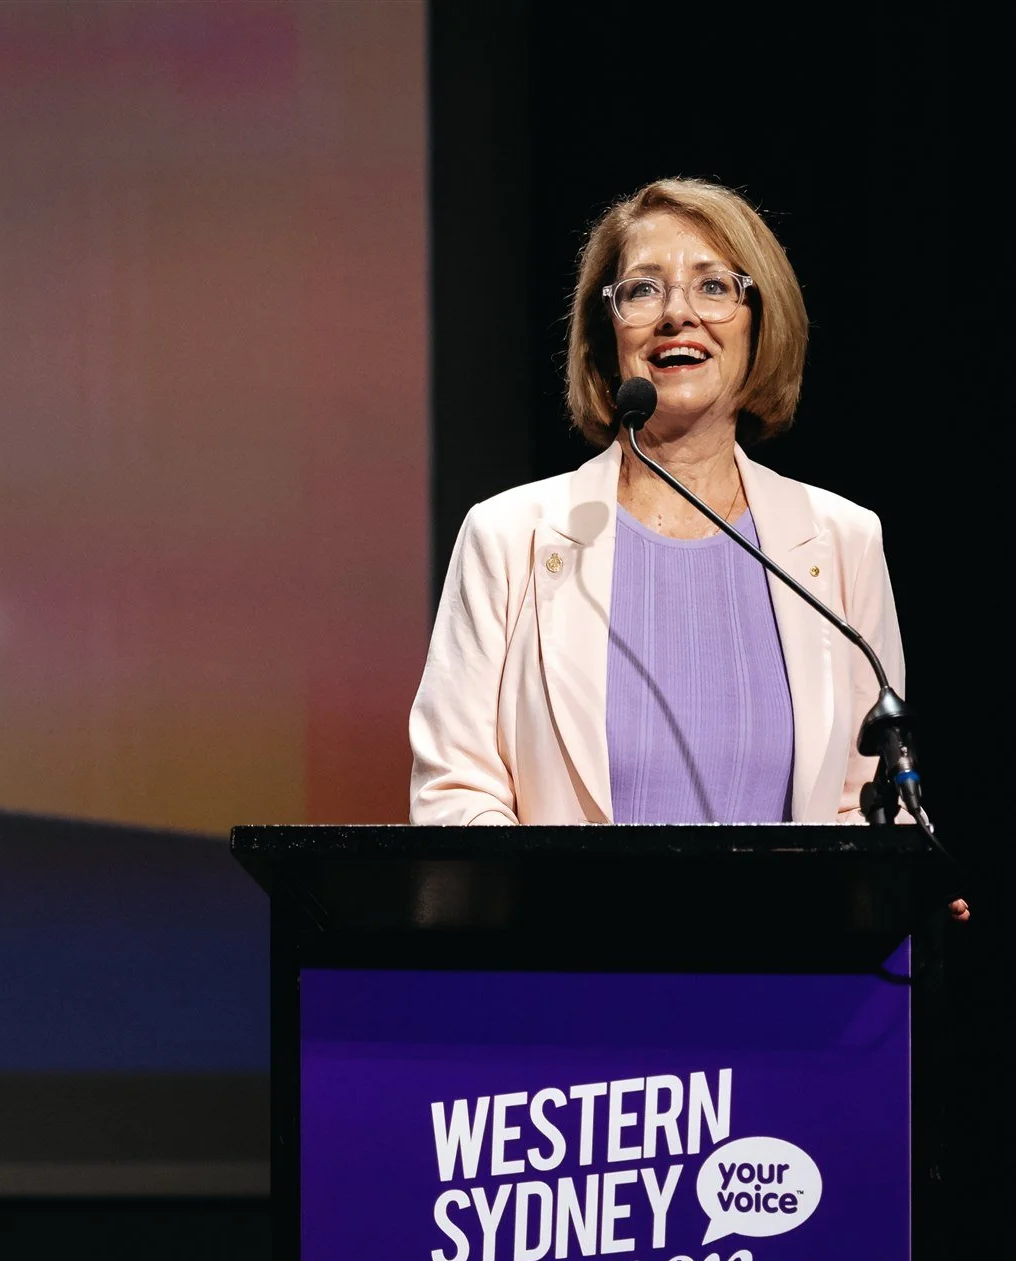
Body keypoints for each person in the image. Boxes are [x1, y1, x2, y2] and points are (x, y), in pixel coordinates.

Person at [408, 177, 967, 918]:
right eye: (642, 290)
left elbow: (858, 805)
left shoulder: (839, 541)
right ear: (608, 333)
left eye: (713, 286)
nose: (678, 314)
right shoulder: (508, 537)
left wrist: (892, 887)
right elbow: (456, 794)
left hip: (785, 993)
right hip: (563, 983)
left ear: (758, 320)